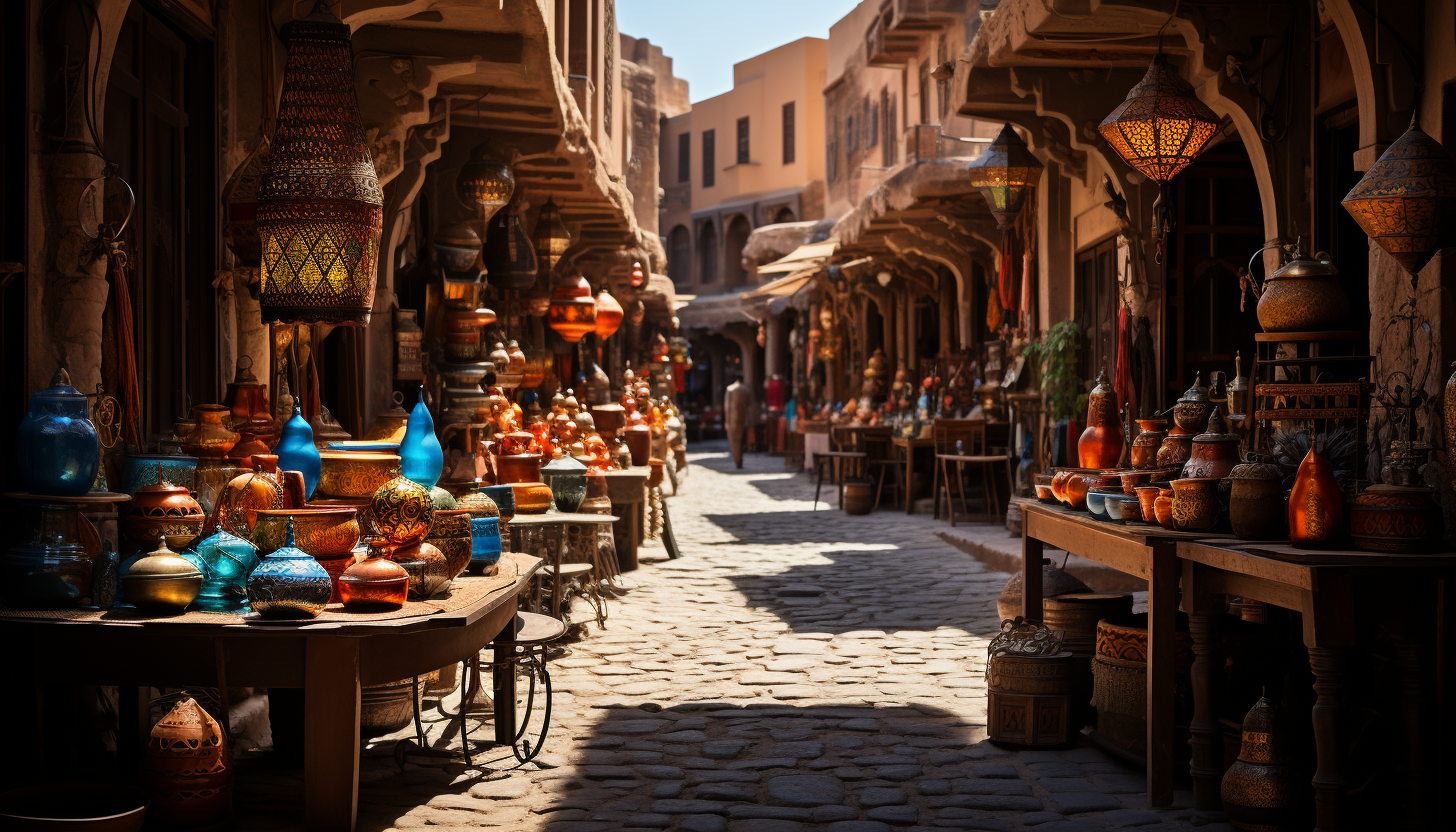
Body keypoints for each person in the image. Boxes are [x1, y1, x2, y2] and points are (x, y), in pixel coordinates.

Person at [724, 374, 751, 469]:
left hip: (732, 420)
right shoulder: (746, 390)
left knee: (734, 441)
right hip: (743, 419)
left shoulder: (730, 389)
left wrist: (727, 421)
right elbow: (749, 405)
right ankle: (740, 461)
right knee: (742, 441)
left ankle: (738, 461)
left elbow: (727, 407)